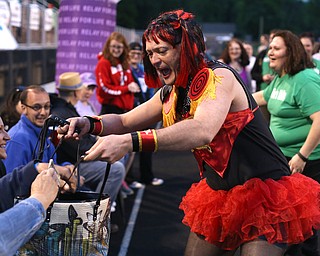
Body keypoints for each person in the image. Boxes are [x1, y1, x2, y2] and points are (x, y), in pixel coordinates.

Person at [58, 10, 320, 256]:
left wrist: (130, 143)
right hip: (221, 194)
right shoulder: (170, 92)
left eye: (162, 50)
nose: (154, 60)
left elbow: (202, 130)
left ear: (186, 49)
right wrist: (88, 123)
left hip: (268, 195)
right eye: (150, 53)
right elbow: (125, 121)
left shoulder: (220, 77)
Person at [253, 30, 320, 256]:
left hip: (309, 164)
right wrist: (229, 97)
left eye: (276, 48)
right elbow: (263, 97)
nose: (269, 52)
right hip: (285, 161)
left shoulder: (304, 80)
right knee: (291, 221)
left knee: (306, 225)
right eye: (270, 47)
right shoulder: (282, 78)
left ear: (289, 52)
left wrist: (302, 156)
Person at [0, 115, 76, 255]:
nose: (7, 137)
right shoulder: (20, 139)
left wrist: (37, 169)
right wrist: (40, 198)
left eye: (47, 106)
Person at [50, 72, 126, 205]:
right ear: (76, 93)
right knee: (116, 169)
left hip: (71, 160)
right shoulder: (63, 113)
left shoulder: (64, 109)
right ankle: (98, 211)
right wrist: (100, 145)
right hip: (69, 163)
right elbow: (76, 148)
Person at [3, 85, 74, 174]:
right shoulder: (18, 139)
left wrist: (67, 167)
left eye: (47, 107)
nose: (43, 112)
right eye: (37, 107)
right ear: (23, 108)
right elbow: (12, 183)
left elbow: (52, 165)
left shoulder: (42, 133)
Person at [128, 41, 163, 188]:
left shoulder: (143, 70)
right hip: (131, 111)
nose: (136, 56)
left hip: (144, 110)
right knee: (130, 147)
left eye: (138, 54)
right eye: (133, 53)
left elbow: (151, 87)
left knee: (147, 144)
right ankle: (129, 180)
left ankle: (147, 176)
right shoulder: (126, 70)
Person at [95, 31, 140, 115]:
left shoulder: (124, 62)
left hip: (126, 111)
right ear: (108, 47)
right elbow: (103, 90)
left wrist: (133, 87)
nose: (116, 50)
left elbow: (130, 83)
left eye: (119, 47)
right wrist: (127, 88)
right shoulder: (103, 63)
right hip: (110, 110)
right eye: (113, 47)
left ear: (124, 48)